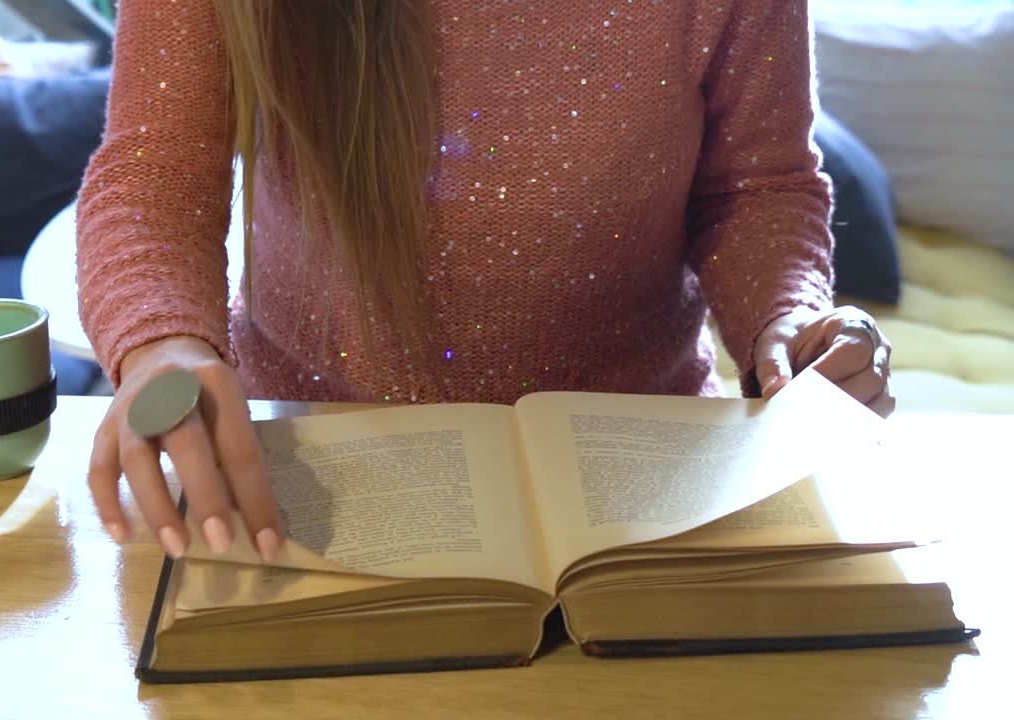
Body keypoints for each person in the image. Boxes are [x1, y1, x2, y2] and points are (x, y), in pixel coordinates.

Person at [75, 0, 894, 563]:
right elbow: (153, 179)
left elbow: (755, 185)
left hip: (647, 470)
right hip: (305, 463)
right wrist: (162, 347)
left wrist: (783, 319)